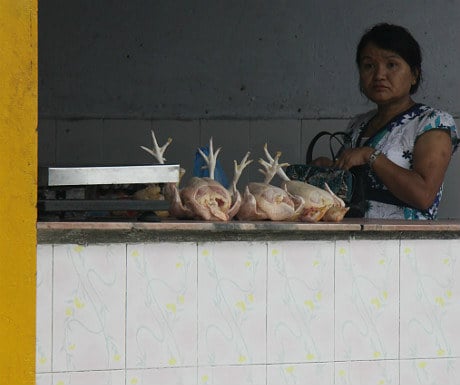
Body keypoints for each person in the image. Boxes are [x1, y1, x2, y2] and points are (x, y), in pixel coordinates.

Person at [316, 23, 458, 219]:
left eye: (391, 65)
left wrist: (370, 156)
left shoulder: (432, 122)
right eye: (369, 66)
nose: (379, 75)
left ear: (414, 75)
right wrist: (331, 169)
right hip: (350, 242)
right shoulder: (358, 125)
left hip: (403, 244)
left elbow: (423, 196)